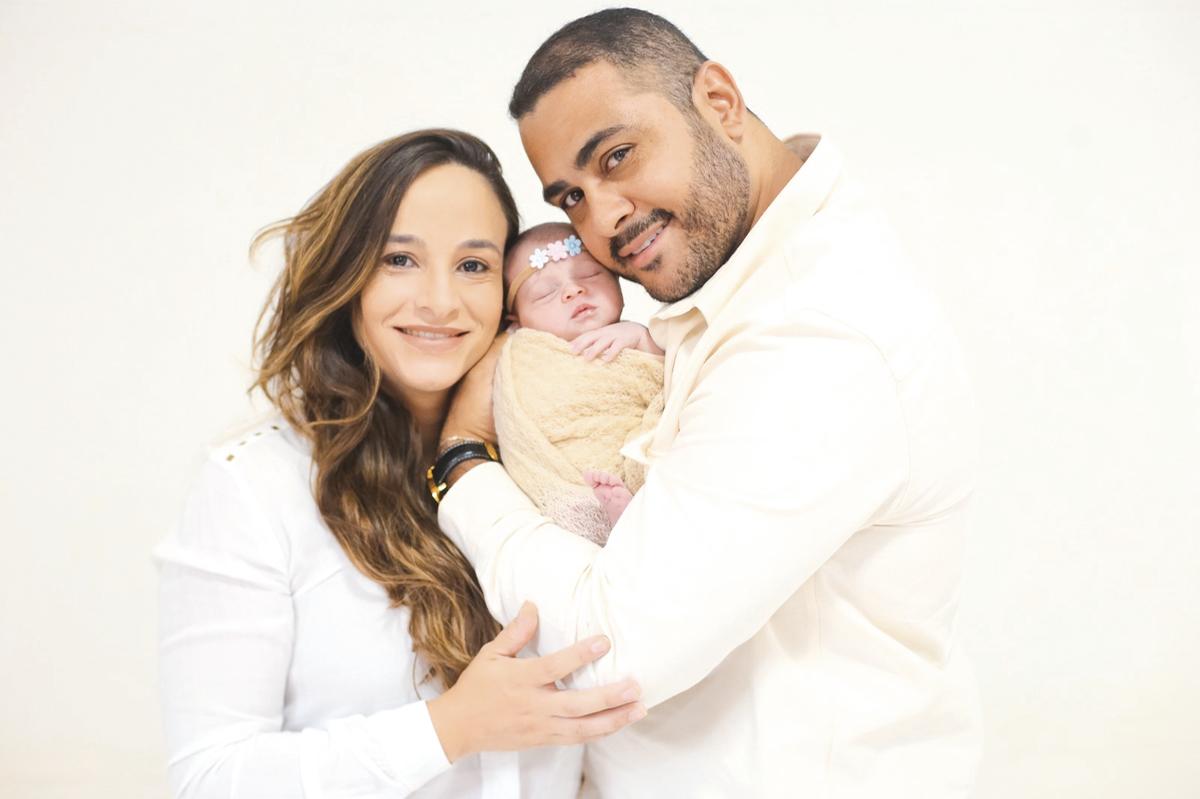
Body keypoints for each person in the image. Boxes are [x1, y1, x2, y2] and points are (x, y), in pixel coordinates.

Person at [433, 10, 982, 798]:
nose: (604, 220)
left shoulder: (813, 335)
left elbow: (607, 649)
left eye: (617, 156)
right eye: (572, 198)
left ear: (720, 100)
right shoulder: (728, 293)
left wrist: (461, 463)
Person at [155, 129, 644, 799]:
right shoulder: (257, 484)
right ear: (348, 274)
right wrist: (451, 727)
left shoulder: (549, 461)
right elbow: (209, 779)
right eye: (400, 260)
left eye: (472, 265)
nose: (440, 301)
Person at [496, 221, 664, 542]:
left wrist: (643, 340)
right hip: (574, 481)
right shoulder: (526, 357)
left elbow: (674, 385)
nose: (574, 290)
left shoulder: (647, 334)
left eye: (590, 275)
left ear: (617, 278)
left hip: (647, 464)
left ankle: (635, 502)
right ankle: (614, 514)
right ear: (516, 323)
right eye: (545, 293)